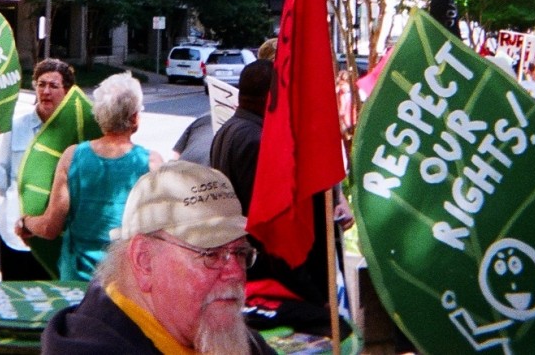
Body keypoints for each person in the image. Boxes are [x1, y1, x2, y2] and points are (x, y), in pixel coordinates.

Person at [41, 161, 276, 354]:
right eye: (211, 254)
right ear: (144, 260)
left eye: (240, 252)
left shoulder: (227, 337)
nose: (235, 272)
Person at [210, 59, 353, 338]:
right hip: (269, 280)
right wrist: (311, 293)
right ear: (271, 97)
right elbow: (270, 227)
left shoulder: (232, 129)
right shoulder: (258, 140)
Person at [18, 72, 162, 281]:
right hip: (128, 286)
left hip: (79, 284)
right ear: (134, 118)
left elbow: (50, 228)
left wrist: (26, 223)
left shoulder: (72, 157)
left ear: (100, 116)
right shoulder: (152, 163)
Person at [0, 58, 74, 281]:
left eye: (53, 85)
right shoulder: (17, 127)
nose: (46, 91)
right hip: (15, 236)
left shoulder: (75, 131)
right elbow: (4, 186)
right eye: (41, 84)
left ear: (67, 91)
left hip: (56, 237)